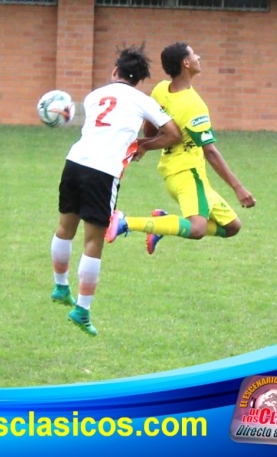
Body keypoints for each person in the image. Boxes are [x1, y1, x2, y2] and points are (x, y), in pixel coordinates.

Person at [51, 44, 182, 336]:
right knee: (93, 241)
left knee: (64, 227)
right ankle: (82, 310)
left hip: (74, 163)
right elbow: (174, 134)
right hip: (103, 172)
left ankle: (60, 287)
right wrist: (144, 145)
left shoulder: (94, 95)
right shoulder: (141, 100)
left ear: (115, 72)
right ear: (138, 80)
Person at [106, 42, 256, 254]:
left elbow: (149, 130)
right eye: (194, 54)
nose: (198, 57)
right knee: (197, 229)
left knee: (232, 227)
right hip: (188, 174)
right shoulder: (195, 106)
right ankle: (126, 223)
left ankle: (164, 224)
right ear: (186, 63)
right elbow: (210, 151)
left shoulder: (160, 89)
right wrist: (238, 188)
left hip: (173, 172)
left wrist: (146, 145)